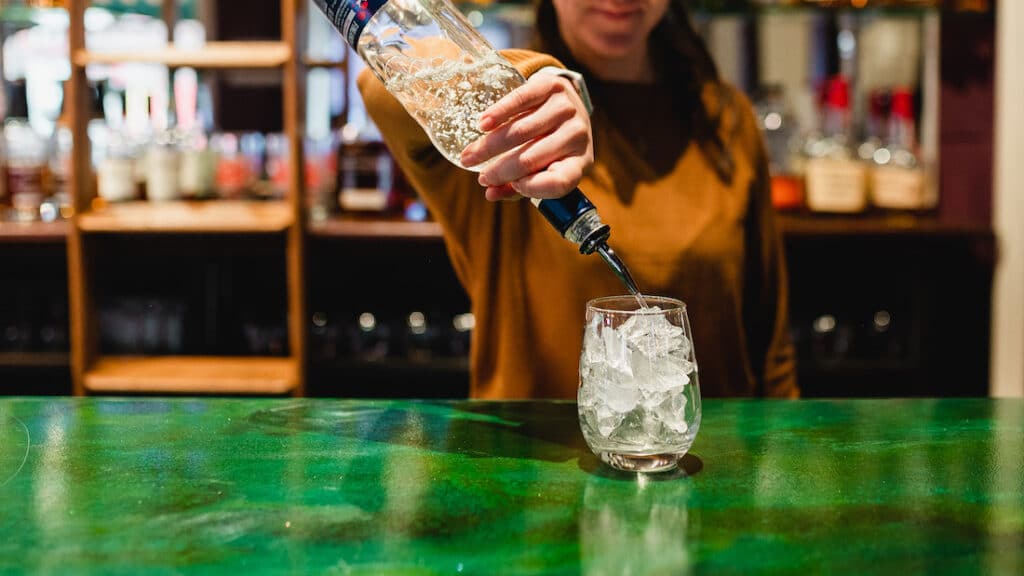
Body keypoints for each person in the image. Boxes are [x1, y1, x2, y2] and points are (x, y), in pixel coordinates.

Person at [358, 0, 797, 399]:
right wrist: (542, 78)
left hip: (710, 468)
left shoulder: (725, 118)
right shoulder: (506, 129)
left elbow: (770, 344)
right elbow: (379, 87)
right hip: (530, 479)